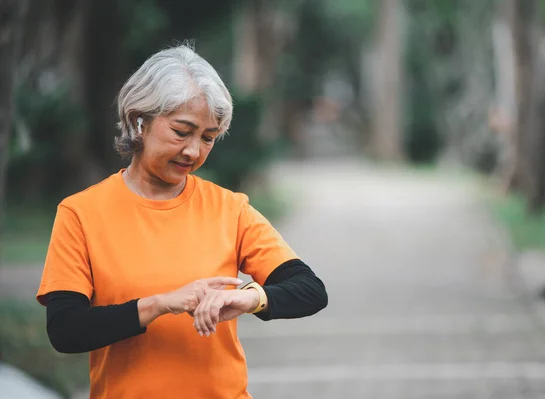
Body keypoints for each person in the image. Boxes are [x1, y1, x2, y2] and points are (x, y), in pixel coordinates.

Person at [36, 43, 328, 399]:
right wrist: (161, 304)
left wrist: (252, 298)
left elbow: (309, 290)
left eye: (208, 138)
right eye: (182, 131)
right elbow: (66, 329)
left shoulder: (229, 209)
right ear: (138, 120)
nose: (193, 151)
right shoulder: (81, 213)